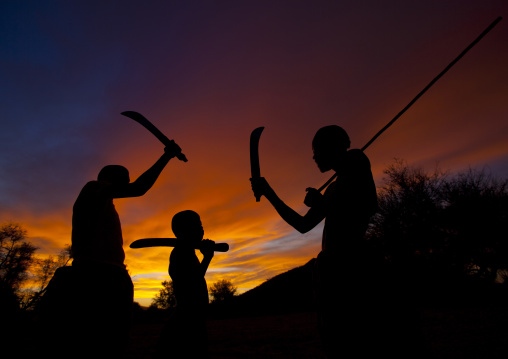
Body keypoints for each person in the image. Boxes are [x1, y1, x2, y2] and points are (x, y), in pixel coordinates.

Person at [251, 125, 406, 358]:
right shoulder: (334, 187)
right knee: (335, 339)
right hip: (332, 269)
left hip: (352, 266)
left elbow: (363, 203)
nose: (314, 156)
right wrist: (269, 192)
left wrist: (321, 203)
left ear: (333, 148)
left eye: (317, 149)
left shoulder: (356, 162)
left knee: (356, 338)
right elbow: (303, 226)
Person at [46, 141, 183, 358]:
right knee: (96, 341)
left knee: (113, 341)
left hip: (110, 275)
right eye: (125, 179)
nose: (127, 183)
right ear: (112, 178)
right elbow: (139, 188)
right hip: (94, 275)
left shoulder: (104, 204)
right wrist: (166, 157)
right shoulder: (93, 188)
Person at [155, 210, 215, 359]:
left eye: (201, 224)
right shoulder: (180, 254)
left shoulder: (188, 252)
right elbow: (192, 284)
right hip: (185, 322)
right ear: (181, 232)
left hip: (195, 320)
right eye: (195, 225)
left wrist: (206, 256)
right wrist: (207, 258)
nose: (201, 228)